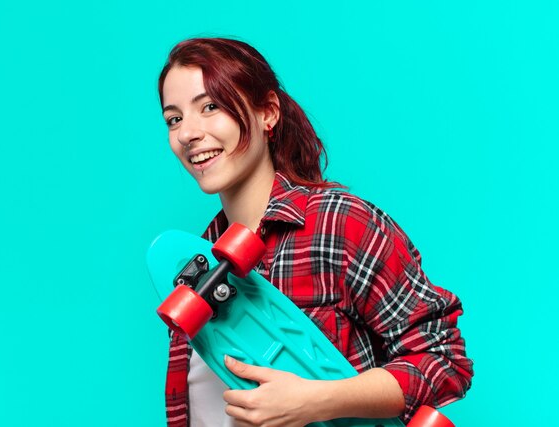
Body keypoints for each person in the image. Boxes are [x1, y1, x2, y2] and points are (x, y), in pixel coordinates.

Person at [157, 37, 473, 427]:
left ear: (267, 112)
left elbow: (443, 357)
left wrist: (319, 400)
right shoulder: (192, 267)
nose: (188, 132)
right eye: (174, 119)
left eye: (210, 107)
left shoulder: (341, 226)